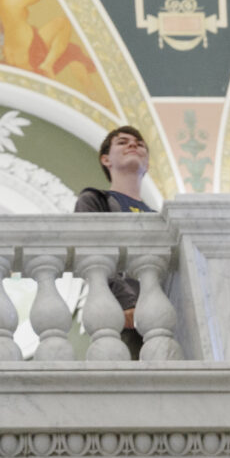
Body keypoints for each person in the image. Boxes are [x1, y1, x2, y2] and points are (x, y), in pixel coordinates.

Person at [73, 124, 155, 354]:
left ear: (147, 164)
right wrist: (126, 302)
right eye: (123, 142)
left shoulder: (159, 217)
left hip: (161, 312)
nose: (133, 145)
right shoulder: (95, 200)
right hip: (122, 315)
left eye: (140, 145)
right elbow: (93, 253)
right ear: (106, 160)